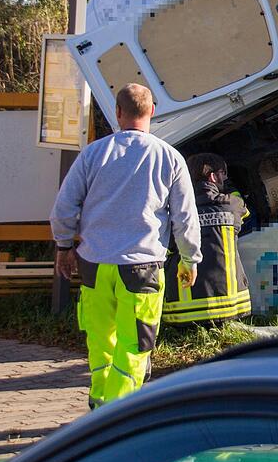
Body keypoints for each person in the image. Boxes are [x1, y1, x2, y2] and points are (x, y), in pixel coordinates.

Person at [50, 83, 201, 410]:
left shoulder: (93, 153)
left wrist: (64, 247)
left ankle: (98, 404)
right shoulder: (169, 157)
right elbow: (185, 217)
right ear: (152, 112)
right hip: (142, 267)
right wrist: (190, 259)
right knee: (134, 346)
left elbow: (64, 207)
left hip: (94, 265)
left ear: (118, 113)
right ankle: (117, 416)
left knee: (101, 341)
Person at [162, 152, 252, 323]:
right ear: (213, 177)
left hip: (181, 313)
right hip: (228, 308)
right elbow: (246, 212)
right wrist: (229, 188)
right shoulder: (232, 204)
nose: (225, 178)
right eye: (223, 174)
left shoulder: (173, 209)